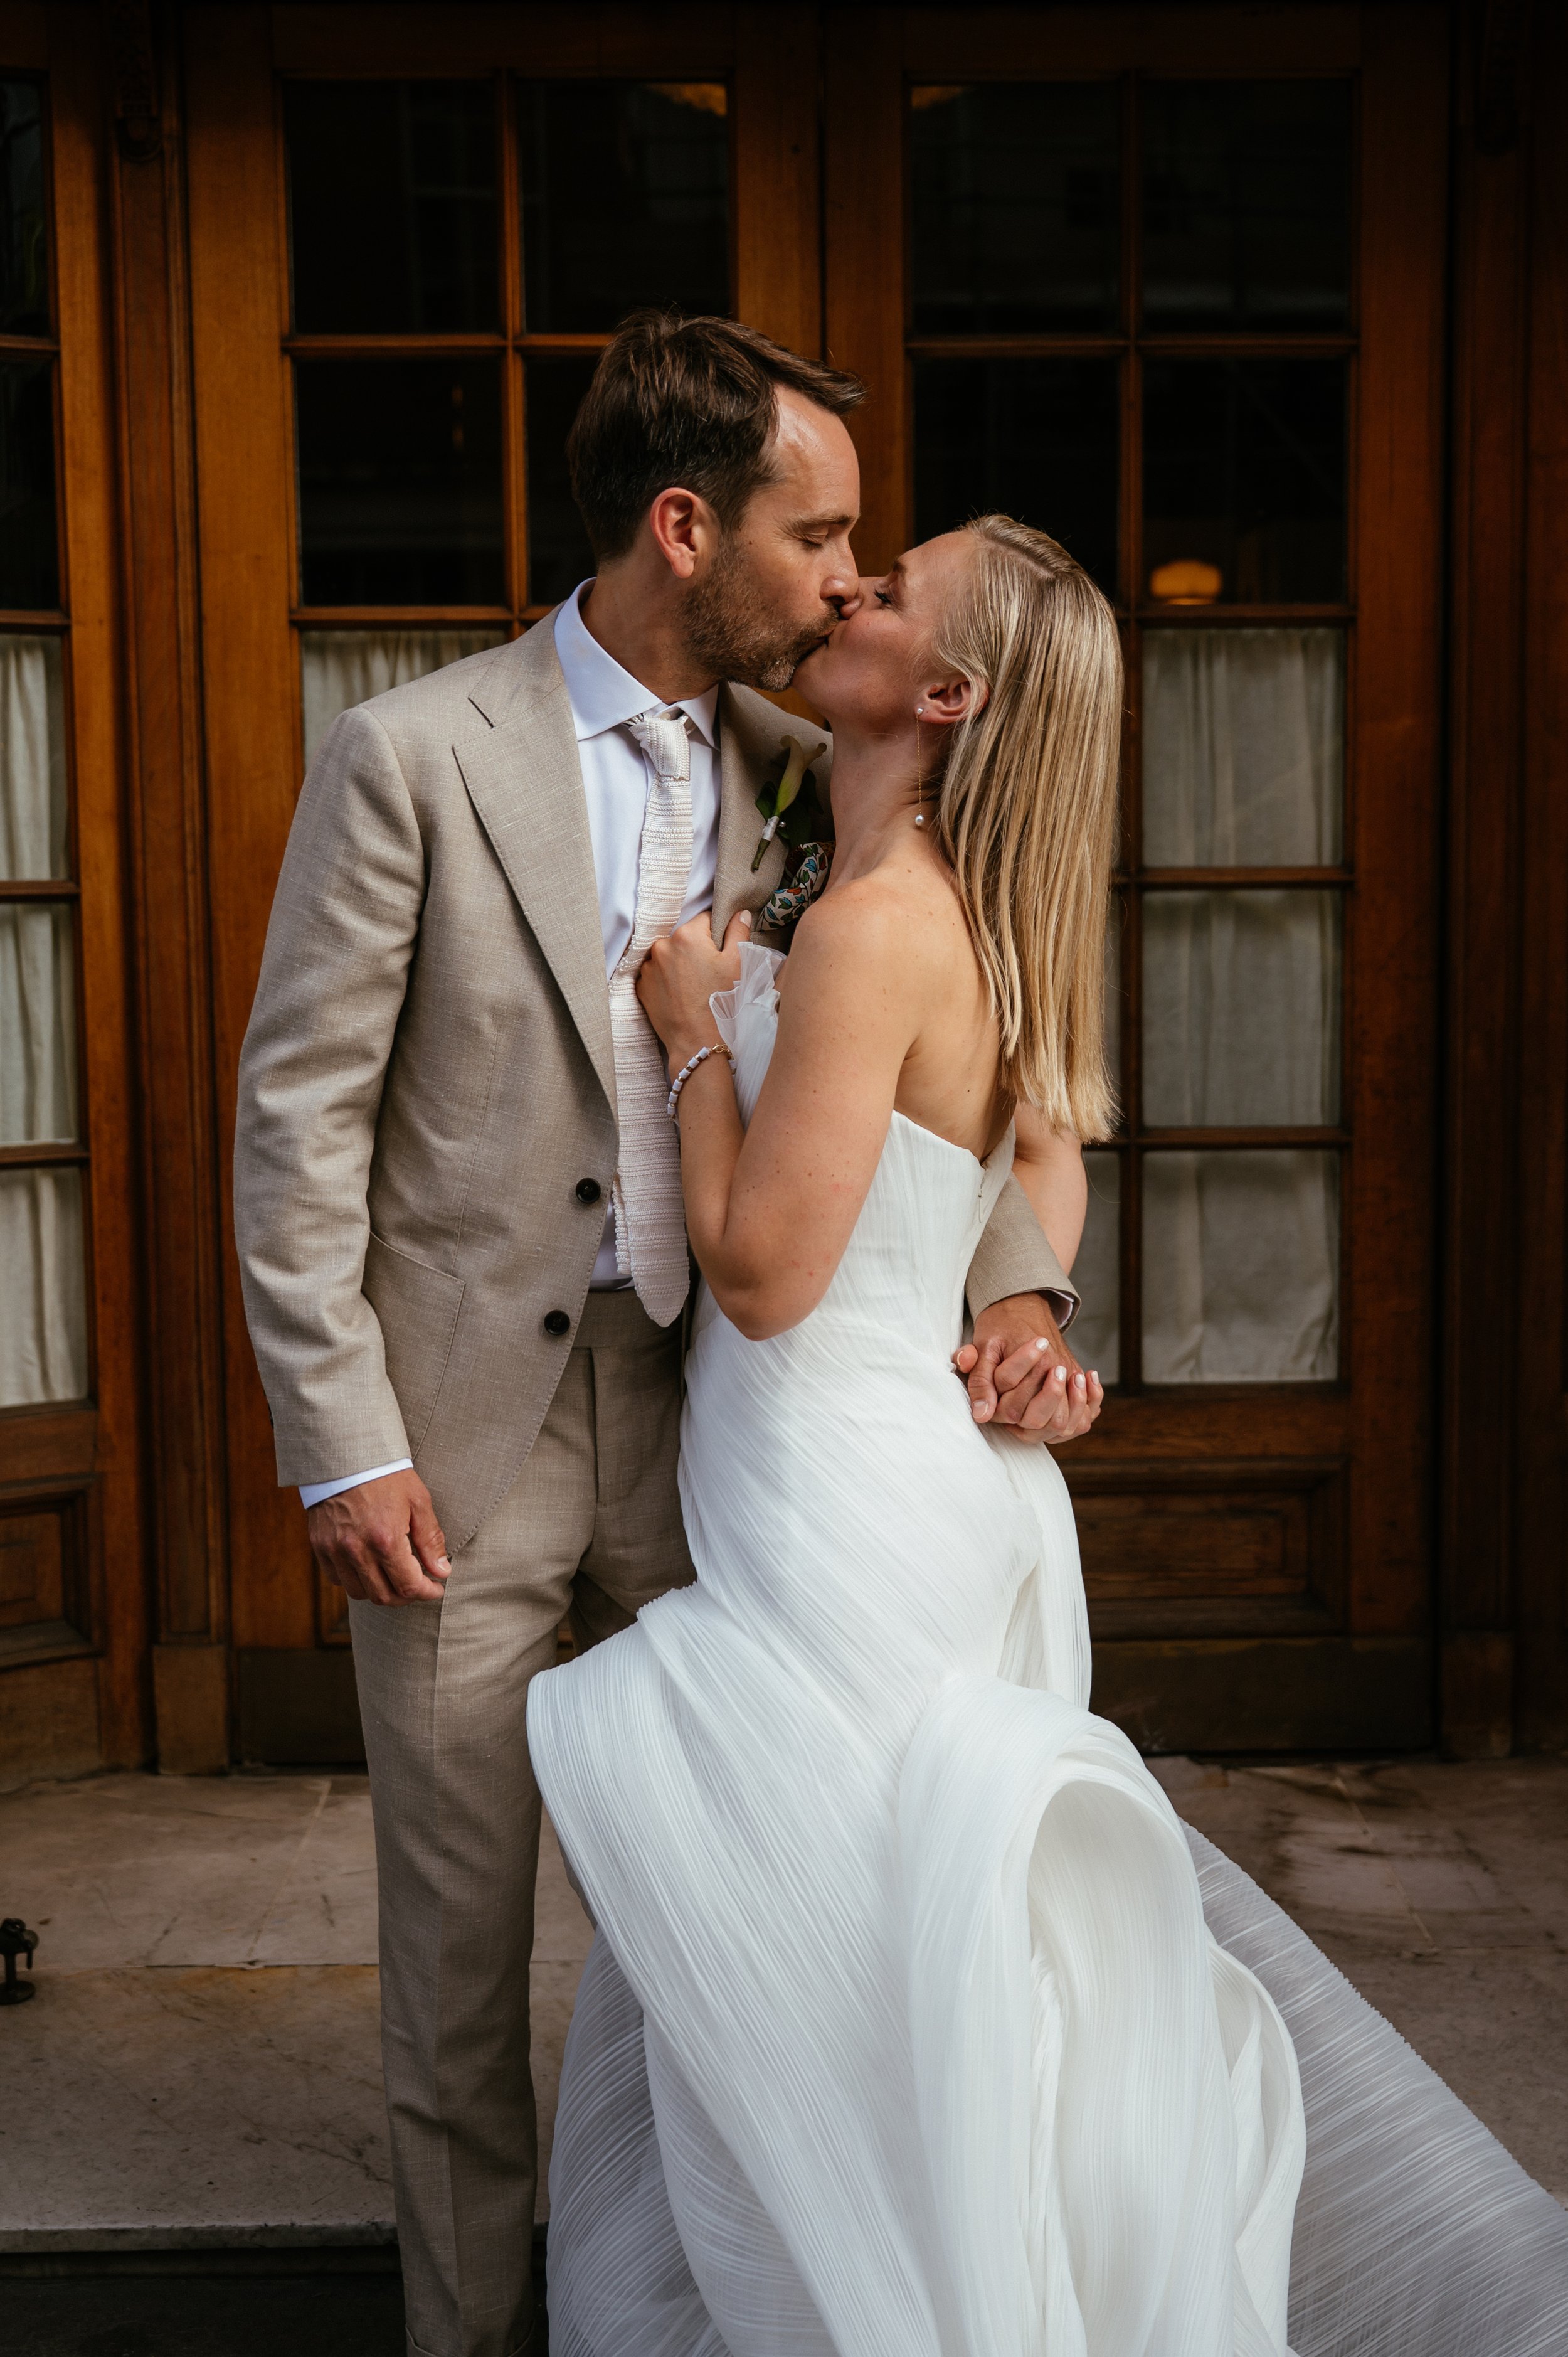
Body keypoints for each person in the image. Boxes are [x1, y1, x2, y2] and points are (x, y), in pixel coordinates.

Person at [529, 518, 1568, 2357]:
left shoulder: (869, 921)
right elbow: (1037, 1154)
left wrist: (692, 1035)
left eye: (883, 590)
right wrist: (1017, 1311)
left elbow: (762, 1272)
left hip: (841, 1485)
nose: (840, 591)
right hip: (898, 1477)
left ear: (942, 694)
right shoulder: (905, 886)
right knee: (875, 1958)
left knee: (843, 1949)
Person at [232, 315, 1099, 2357]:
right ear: (684, 524)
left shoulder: (825, 781)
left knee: (747, 1948)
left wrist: (1021, 1298)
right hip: (462, 1455)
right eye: (819, 539)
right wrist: (338, 1439)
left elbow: (996, 1094)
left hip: (729, 1442)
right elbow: (298, 1123)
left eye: (866, 557)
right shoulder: (411, 757)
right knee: (456, 1972)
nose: (843, 585)